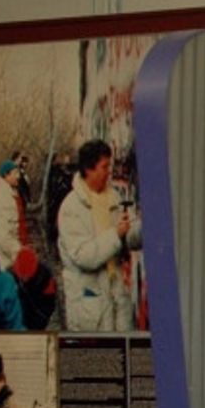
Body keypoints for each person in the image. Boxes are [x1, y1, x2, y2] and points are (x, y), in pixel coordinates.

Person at [57, 139, 142, 331]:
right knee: (99, 350)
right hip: (90, 309)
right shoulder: (71, 208)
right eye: (104, 167)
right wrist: (116, 234)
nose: (109, 172)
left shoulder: (114, 198)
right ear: (89, 169)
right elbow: (83, 256)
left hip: (117, 299)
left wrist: (143, 230)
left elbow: (126, 238)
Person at [0, 159, 28, 273]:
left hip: (12, 253)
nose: (18, 176)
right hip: (5, 258)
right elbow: (2, 235)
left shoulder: (10, 193)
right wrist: (18, 252)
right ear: (6, 175)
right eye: (15, 173)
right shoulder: (2, 197)